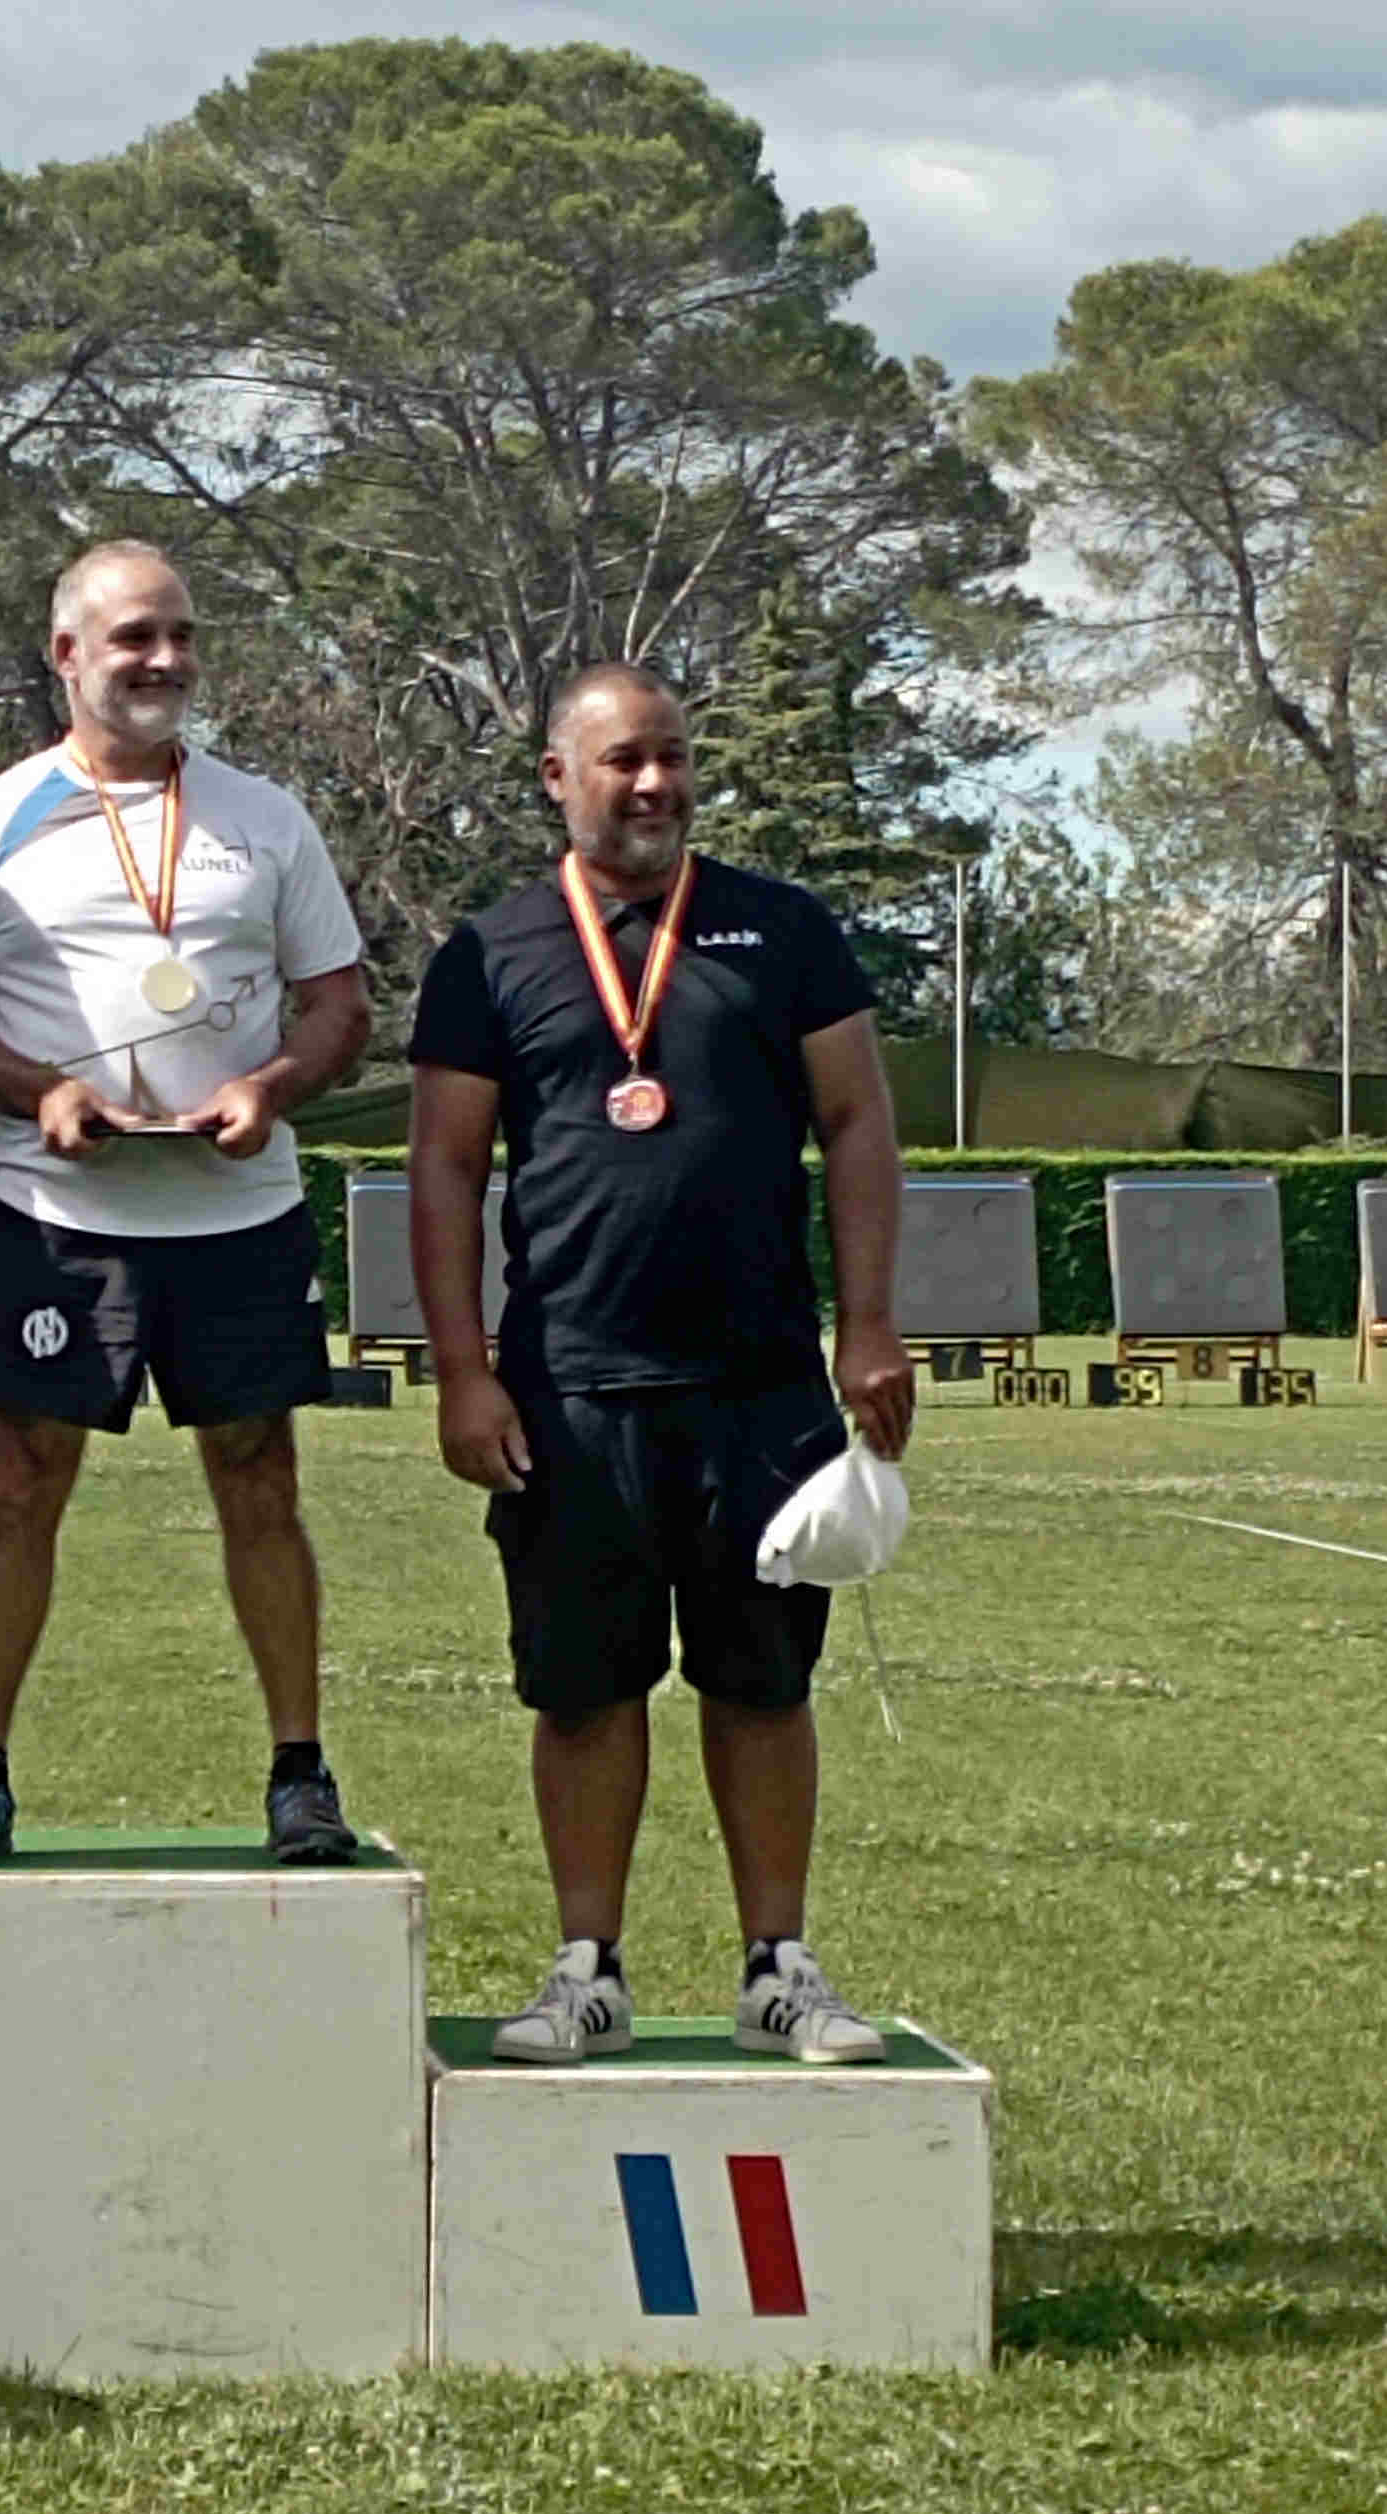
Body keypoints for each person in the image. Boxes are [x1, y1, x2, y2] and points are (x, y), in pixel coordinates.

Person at [405, 662, 914, 2063]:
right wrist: (462, 1370)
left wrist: (869, 1324)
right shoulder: (491, 953)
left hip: (761, 1384)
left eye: (673, 756)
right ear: (557, 779)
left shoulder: (784, 931)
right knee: (584, 1691)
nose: (654, 783)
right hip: (569, 1389)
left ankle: (778, 1968)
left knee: (764, 1685)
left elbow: (858, 1123)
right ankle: (589, 1970)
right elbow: (444, 1169)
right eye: (624, 759)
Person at [0, 540, 375, 1865]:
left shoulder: (265, 818)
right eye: (133, 639)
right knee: (21, 1485)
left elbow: (339, 1006)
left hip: (238, 1209)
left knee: (261, 1479)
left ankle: (300, 1773)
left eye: (180, 635)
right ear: (67, 655)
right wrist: (38, 1092)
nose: (164, 660)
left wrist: (270, 1087)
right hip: (62, 1209)